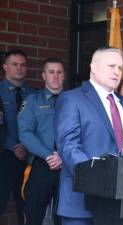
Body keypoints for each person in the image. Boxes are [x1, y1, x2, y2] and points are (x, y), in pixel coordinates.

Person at [54, 47, 123, 225]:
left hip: (120, 205)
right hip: (82, 203)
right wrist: (97, 179)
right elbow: (68, 146)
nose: (116, 71)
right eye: (111, 66)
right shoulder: (72, 99)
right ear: (93, 67)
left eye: (120, 68)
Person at [18, 57, 65, 225]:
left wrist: (63, 156)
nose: (55, 76)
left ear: (64, 75)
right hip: (41, 166)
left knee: (65, 217)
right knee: (33, 215)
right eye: (51, 72)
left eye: (59, 72)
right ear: (43, 76)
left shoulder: (73, 101)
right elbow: (25, 133)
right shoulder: (32, 101)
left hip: (67, 167)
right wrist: (48, 156)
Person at [0, 49, 35, 225]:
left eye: (23, 65)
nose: (19, 68)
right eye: (15, 64)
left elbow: (39, 127)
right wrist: (14, 146)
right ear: (5, 67)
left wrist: (26, 146)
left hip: (28, 159)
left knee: (27, 207)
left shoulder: (34, 95)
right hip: (4, 159)